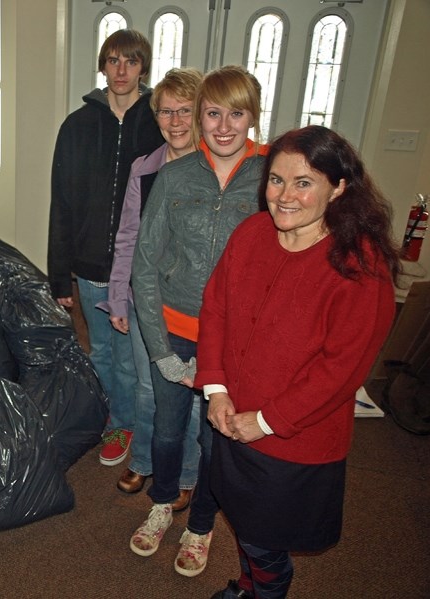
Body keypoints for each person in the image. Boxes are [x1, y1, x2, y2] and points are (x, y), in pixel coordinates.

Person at [198, 125, 400, 599]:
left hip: (294, 442)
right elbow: (216, 309)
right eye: (276, 180)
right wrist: (216, 388)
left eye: (303, 183)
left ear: (339, 188)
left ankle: (264, 591)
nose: (284, 196)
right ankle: (249, 588)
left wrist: (268, 421)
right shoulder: (251, 233)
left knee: (265, 543)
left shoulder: (359, 266)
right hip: (233, 419)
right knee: (247, 528)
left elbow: (341, 370)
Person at [129, 65, 267, 578]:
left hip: (233, 345)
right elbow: (144, 265)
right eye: (213, 113)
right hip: (175, 331)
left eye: (237, 113)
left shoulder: (271, 177)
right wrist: (162, 352)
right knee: (166, 431)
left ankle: (202, 526)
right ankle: (162, 502)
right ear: (200, 116)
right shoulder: (174, 175)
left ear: (253, 115)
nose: (224, 125)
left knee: (216, 441)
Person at [47, 29, 164, 467]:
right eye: (113, 60)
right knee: (102, 355)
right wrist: (60, 274)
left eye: (131, 62)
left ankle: (129, 423)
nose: (121, 70)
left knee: (135, 361)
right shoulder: (77, 126)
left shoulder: (158, 123)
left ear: (142, 68)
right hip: (91, 266)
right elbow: (62, 203)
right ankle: (112, 420)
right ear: (102, 65)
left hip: (140, 269)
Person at [98, 67, 204, 501]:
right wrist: (118, 298)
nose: (176, 122)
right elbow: (127, 238)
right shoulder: (145, 168)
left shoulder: (217, 174)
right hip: (147, 300)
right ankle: (142, 461)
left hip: (195, 308)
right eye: (166, 112)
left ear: (201, 114)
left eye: (185, 111)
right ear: (155, 116)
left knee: (190, 395)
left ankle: (185, 477)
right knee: (147, 387)